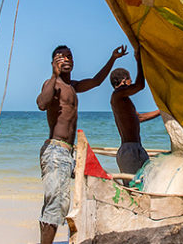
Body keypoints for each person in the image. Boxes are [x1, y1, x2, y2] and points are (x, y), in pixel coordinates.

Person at [35, 44, 127, 244]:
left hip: (69, 152)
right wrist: (53, 75)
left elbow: (95, 81)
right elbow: (42, 103)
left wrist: (113, 58)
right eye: (60, 57)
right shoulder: (53, 84)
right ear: (53, 63)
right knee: (55, 205)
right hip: (56, 150)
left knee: (81, 193)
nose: (66, 59)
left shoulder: (72, 87)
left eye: (69, 56)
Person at [109, 48, 160, 185]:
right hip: (129, 151)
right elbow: (140, 85)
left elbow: (139, 118)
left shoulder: (123, 100)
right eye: (130, 79)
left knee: (145, 185)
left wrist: (162, 110)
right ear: (125, 80)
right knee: (134, 189)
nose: (131, 82)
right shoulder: (118, 94)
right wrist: (139, 61)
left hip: (136, 148)